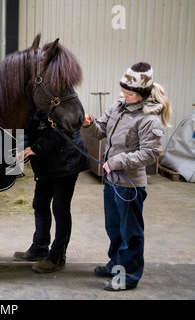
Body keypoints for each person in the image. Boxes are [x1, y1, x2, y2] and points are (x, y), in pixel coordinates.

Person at [82, 62, 171, 291]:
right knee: (113, 227)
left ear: (141, 94)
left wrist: (116, 161)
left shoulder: (149, 118)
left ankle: (128, 276)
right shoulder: (119, 106)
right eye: (123, 90)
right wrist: (88, 124)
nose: (123, 95)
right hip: (112, 181)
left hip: (129, 184)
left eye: (129, 93)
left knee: (130, 232)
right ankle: (116, 264)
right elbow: (100, 129)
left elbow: (150, 153)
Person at [13, 108, 90, 273]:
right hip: (46, 162)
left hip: (67, 161)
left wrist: (35, 148)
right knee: (40, 204)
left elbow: (62, 133)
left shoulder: (60, 102)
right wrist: (24, 147)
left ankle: (58, 256)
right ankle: (40, 247)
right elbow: (27, 130)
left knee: (60, 208)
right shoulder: (33, 102)